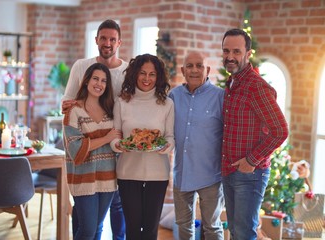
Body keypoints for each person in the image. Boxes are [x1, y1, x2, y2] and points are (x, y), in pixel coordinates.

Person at [62, 19, 127, 240]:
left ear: (119, 42)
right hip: (85, 173)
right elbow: (67, 101)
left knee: (102, 221)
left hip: (110, 169)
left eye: (112, 39)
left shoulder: (127, 71)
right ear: (96, 40)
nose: (107, 43)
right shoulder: (81, 66)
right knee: (88, 227)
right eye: (103, 38)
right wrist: (73, 109)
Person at [221, 28, 288, 239]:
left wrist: (251, 160)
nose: (230, 57)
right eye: (226, 51)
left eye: (236, 51)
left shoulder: (256, 87)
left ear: (248, 54)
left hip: (250, 174)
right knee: (235, 230)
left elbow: (281, 131)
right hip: (230, 170)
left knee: (243, 233)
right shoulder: (232, 83)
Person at [110, 54, 175, 240]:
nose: (147, 78)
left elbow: (170, 137)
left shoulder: (167, 104)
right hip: (128, 172)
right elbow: (115, 136)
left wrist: (167, 146)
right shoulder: (122, 102)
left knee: (150, 231)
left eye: (152, 74)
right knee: (132, 229)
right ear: (135, 74)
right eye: (142, 73)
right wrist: (118, 145)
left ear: (158, 77)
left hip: (158, 174)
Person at [169, 51, 225, 240]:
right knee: (183, 225)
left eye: (199, 66)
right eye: (190, 66)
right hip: (182, 173)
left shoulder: (220, 97)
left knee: (212, 227)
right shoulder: (173, 96)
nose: (194, 70)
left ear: (207, 70)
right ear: (183, 70)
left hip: (211, 175)